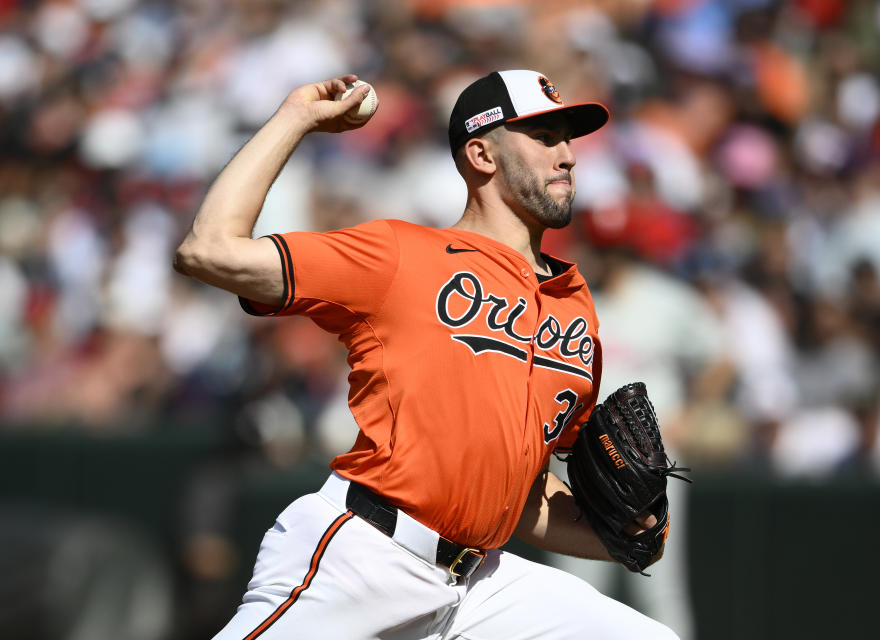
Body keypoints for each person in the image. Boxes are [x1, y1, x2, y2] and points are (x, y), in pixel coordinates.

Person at [174, 70, 680, 640]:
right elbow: (208, 250)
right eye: (543, 136)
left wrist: (623, 534)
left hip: (479, 586)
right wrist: (296, 117)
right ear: (481, 154)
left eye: (567, 138)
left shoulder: (573, 307)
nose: (566, 155)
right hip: (368, 555)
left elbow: (524, 490)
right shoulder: (399, 256)